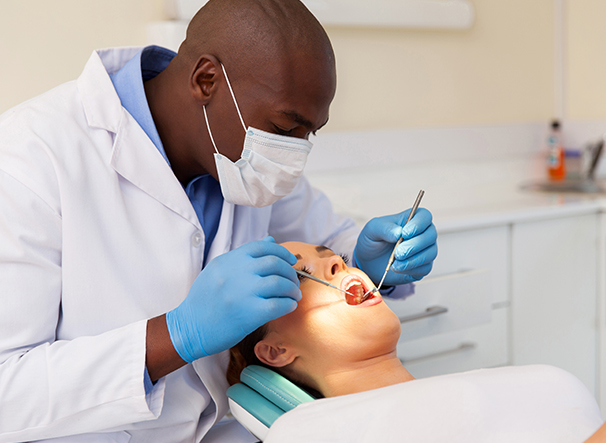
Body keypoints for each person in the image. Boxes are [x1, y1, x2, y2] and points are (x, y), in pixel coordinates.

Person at [0, 0, 438, 442]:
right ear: (205, 80)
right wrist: (175, 337)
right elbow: (6, 393)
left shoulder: (245, 160)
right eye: (286, 130)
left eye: (310, 133)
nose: (295, 153)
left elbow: (322, 243)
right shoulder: (26, 161)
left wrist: (371, 259)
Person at [228, 241, 606, 443]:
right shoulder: (306, 432)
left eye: (339, 259)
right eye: (304, 275)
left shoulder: (463, 393)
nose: (339, 266)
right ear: (276, 351)